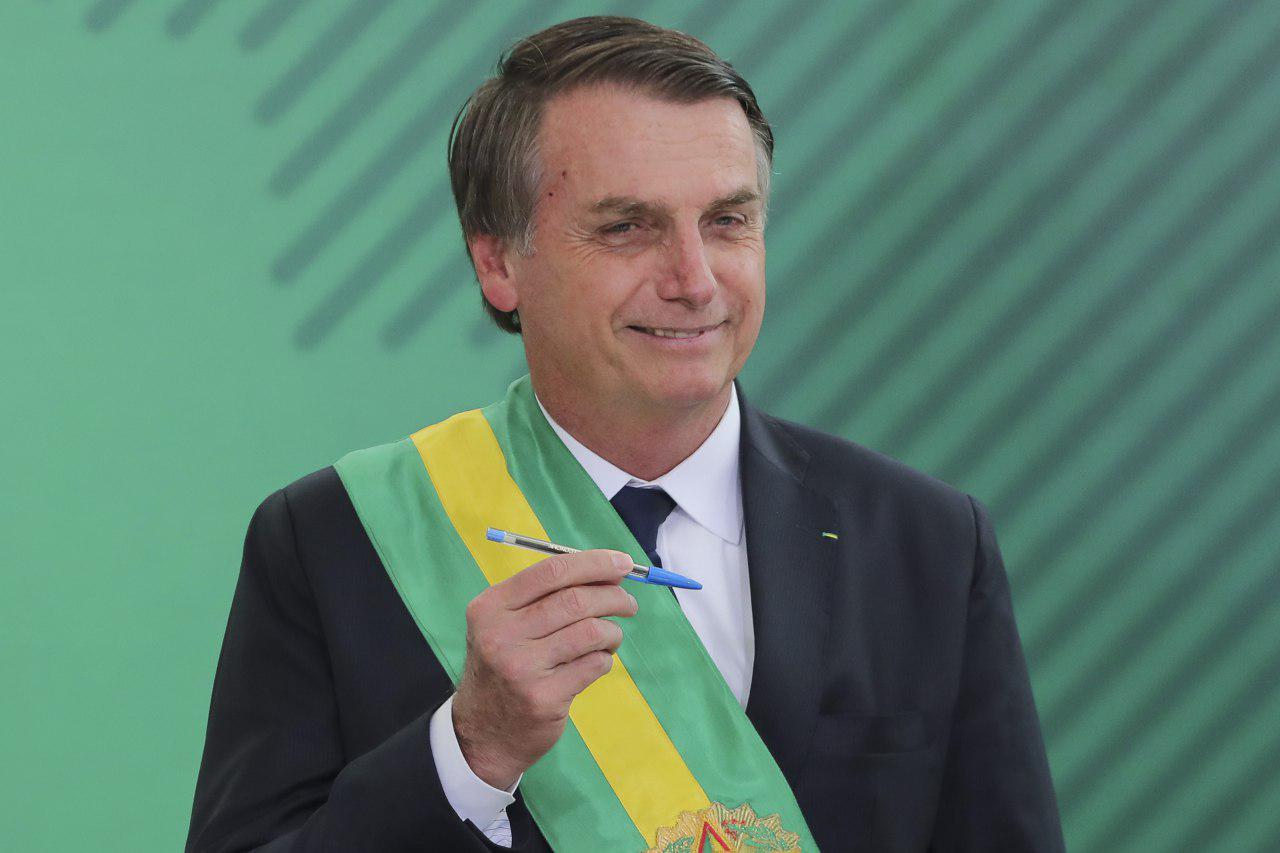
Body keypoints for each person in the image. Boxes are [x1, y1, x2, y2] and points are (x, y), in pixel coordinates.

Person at [186, 15, 1064, 852]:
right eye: (626, 227)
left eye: (727, 220)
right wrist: (470, 752)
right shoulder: (335, 539)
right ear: (498, 262)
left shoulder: (926, 539)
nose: (694, 279)